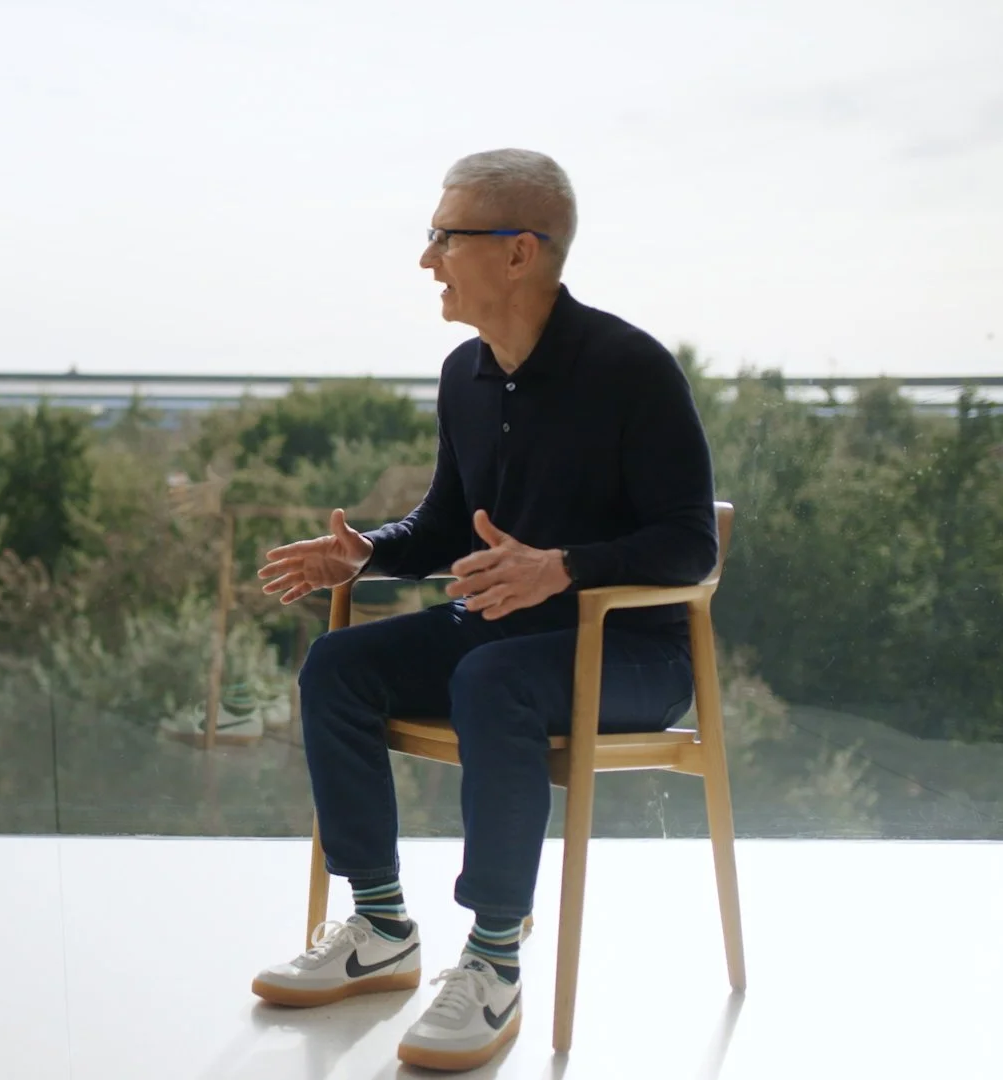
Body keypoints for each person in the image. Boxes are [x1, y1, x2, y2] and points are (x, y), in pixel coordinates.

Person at [250, 150, 716, 1072]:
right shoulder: (464, 372)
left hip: (632, 655)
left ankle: (494, 959)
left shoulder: (632, 369)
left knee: (491, 677)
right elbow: (445, 524)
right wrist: (371, 551)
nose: (428, 259)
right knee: (339, 667)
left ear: (520, 252)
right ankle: (381, 928)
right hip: (499, 636)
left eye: (445, 237)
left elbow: (691, 544)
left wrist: (565, 569)